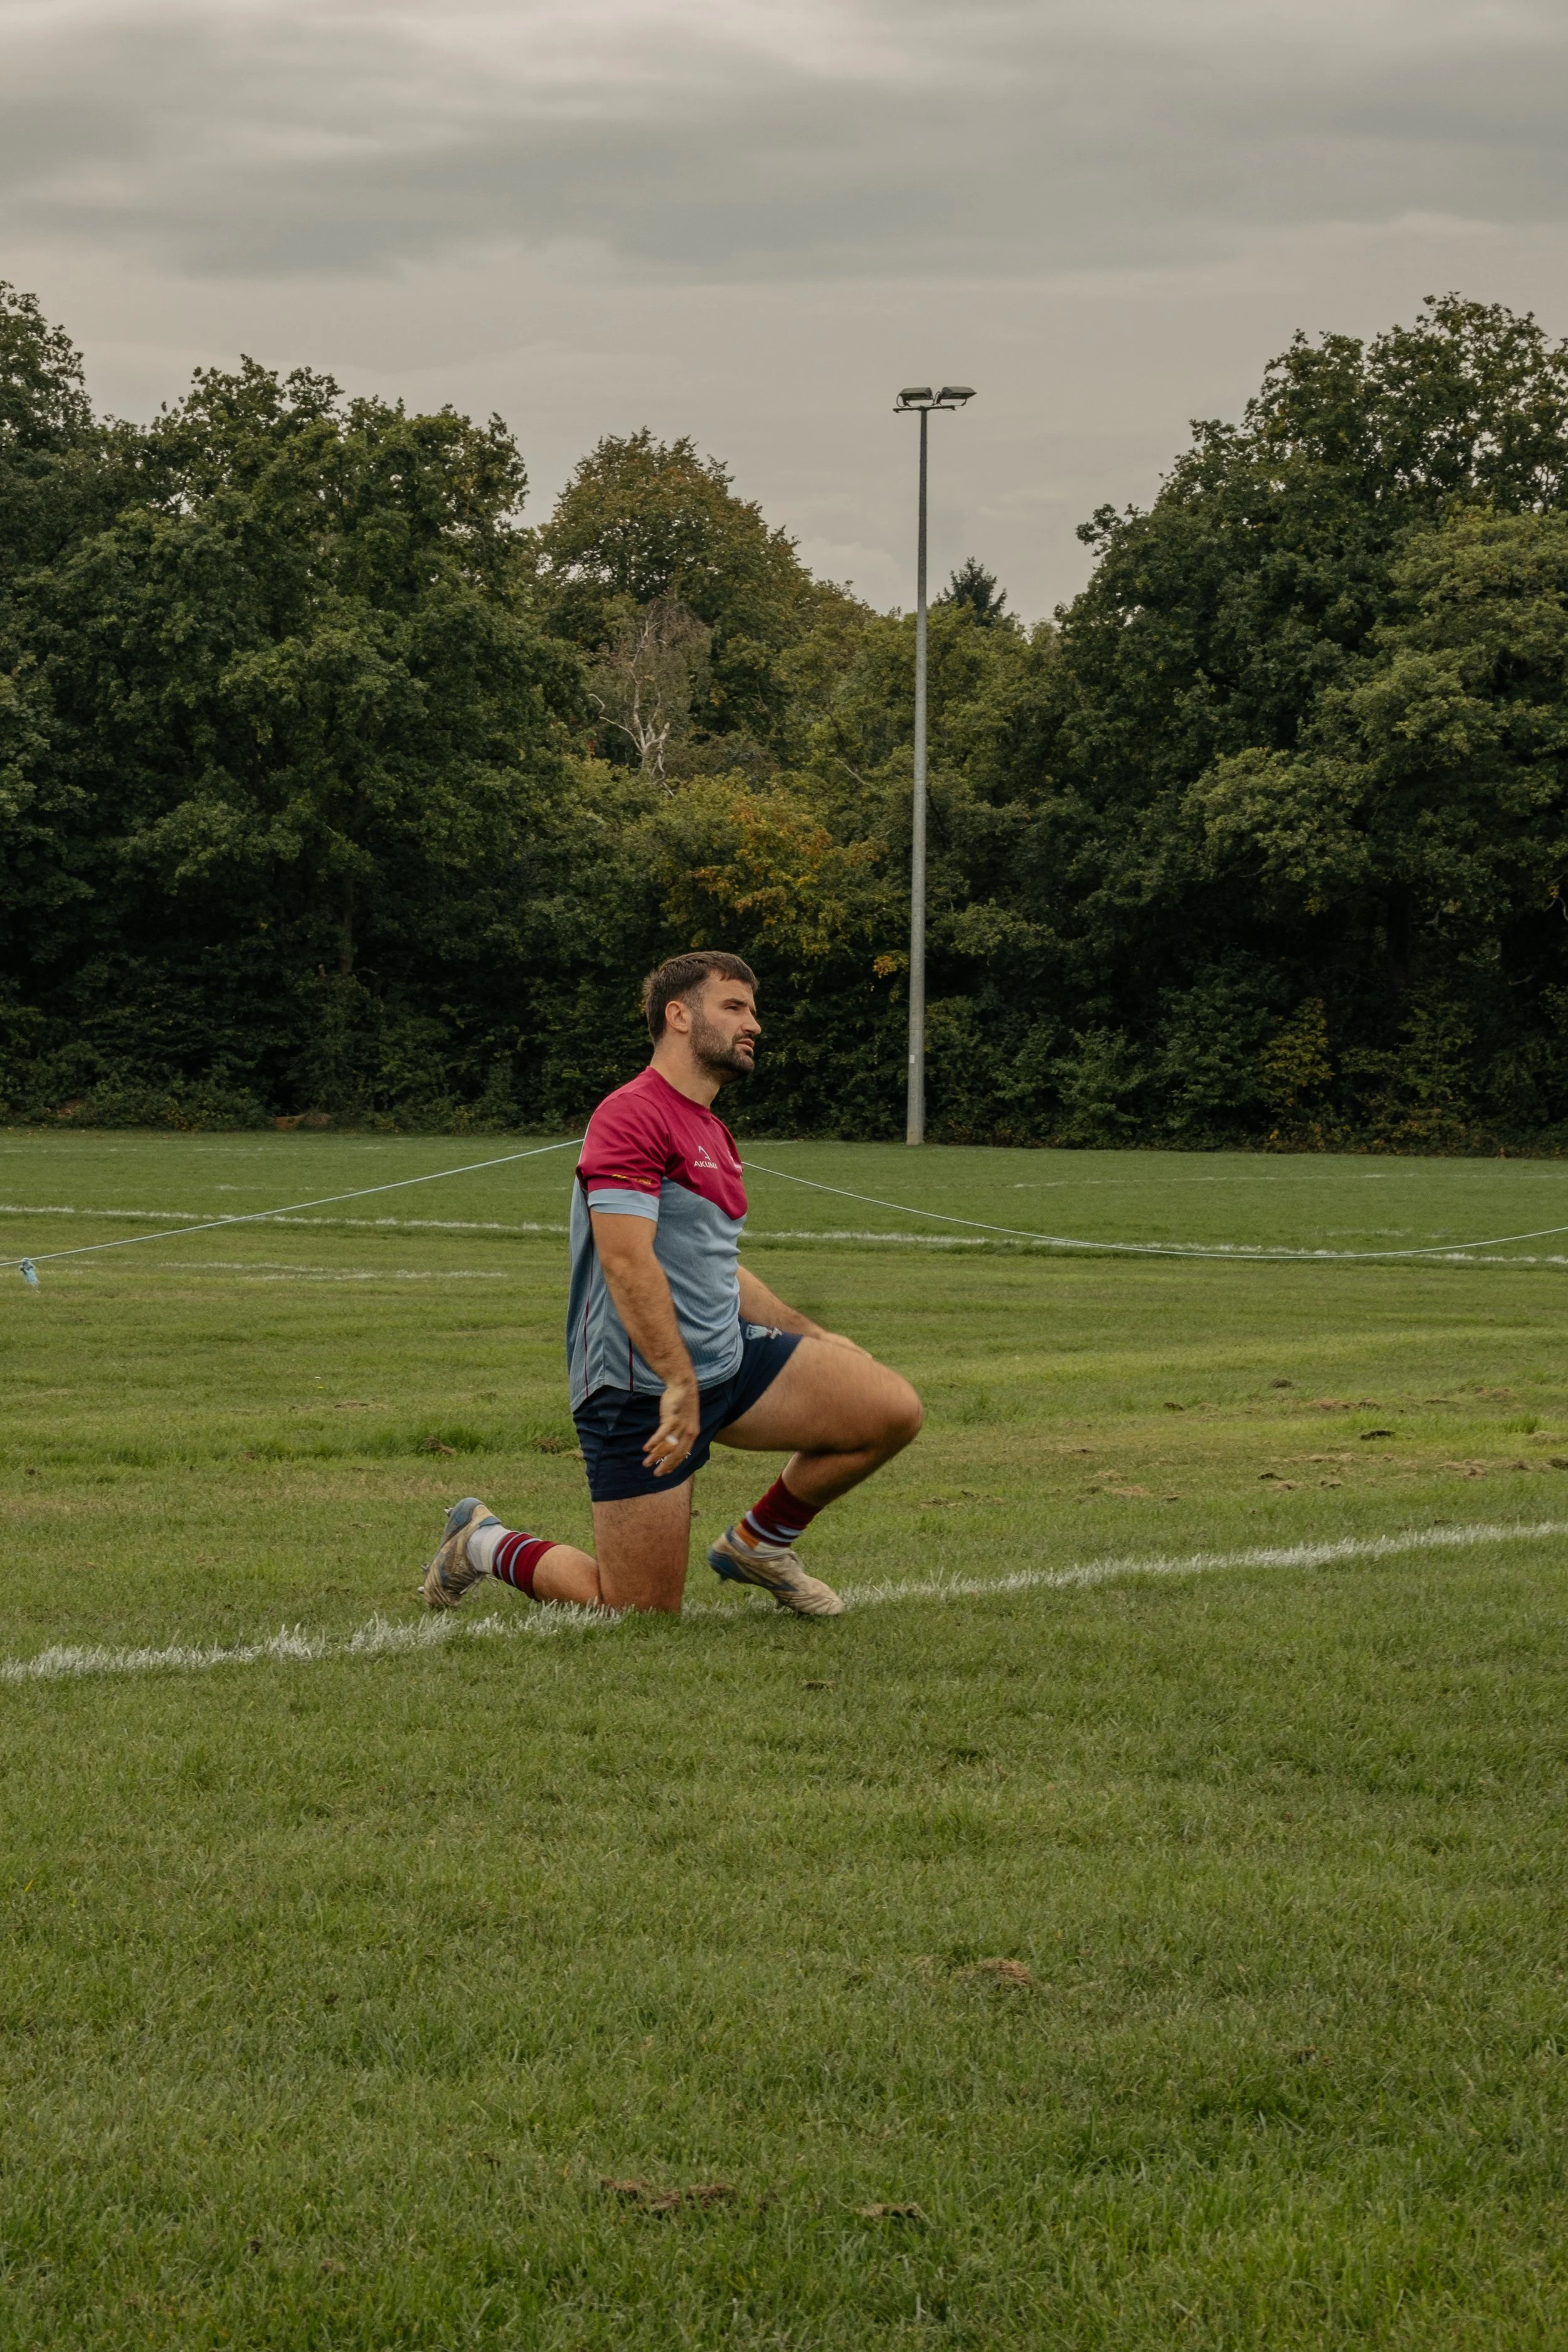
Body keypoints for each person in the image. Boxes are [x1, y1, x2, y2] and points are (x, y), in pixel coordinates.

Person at [420, 950, 923, 1616]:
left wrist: (814, 1334)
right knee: (635, 1609)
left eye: (753, 1008)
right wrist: (679, 1382)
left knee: (887, 1410)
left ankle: (759, 1543)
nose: (755, 1024)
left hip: (725, 1364)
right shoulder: (632, 1114)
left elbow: (714, 1265)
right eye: (734, 1007)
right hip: (641, 1389)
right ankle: (480, 1542)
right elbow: (626, 1259)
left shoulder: (711, 1127)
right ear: (679, 1016)